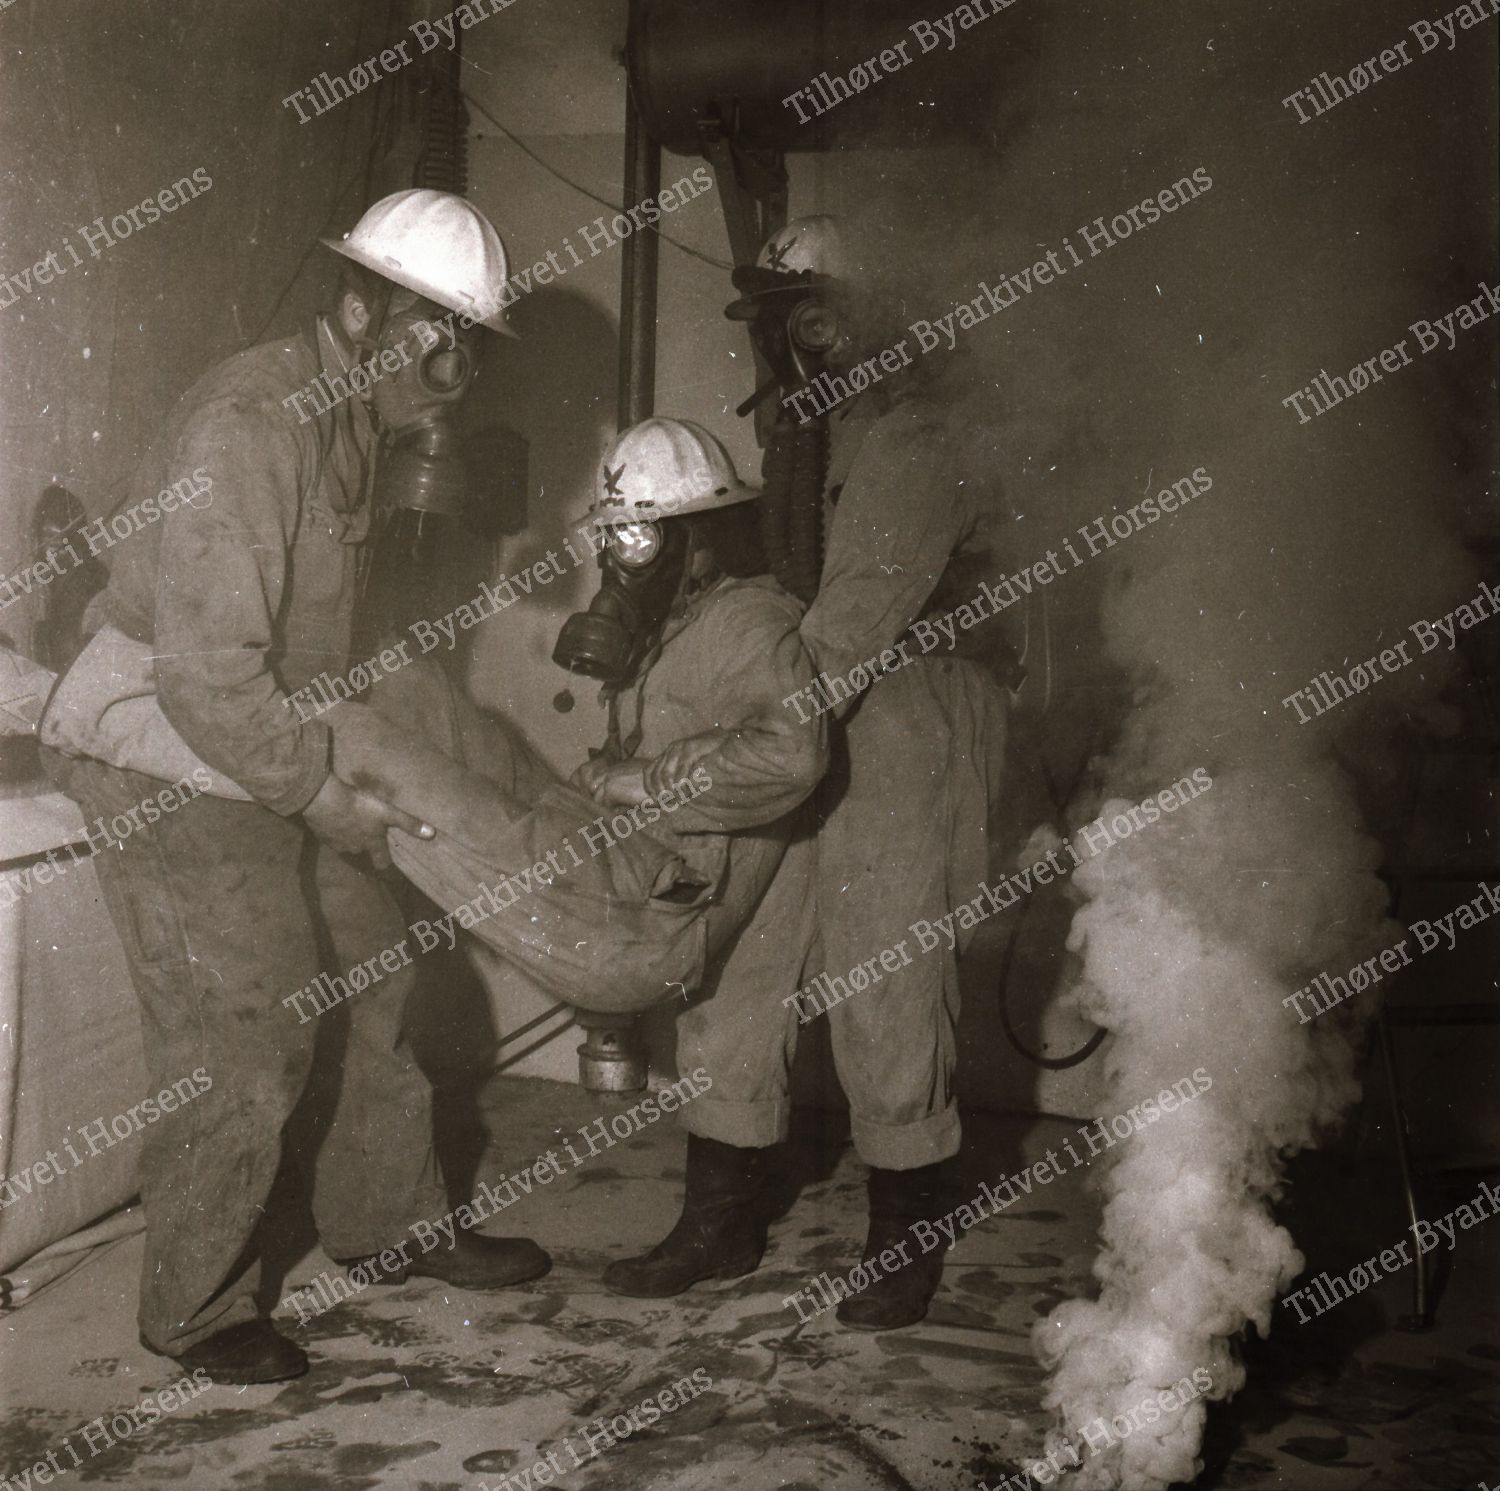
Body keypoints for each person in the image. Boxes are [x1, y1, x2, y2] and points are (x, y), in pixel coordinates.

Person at [41, 189, 548, 1385]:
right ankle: (196, 1306)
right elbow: (208, 678)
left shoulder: (359, 420)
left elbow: (314, 646)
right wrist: (324, 797)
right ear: (359, 311)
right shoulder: (253, 425)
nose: (453, 372)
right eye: (432, 339)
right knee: (253, 1016)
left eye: (468, 346)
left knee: (380, 965)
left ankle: (389, 1222)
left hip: (261, 724)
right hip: (157, 738)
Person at [710, 215, 1013, 1330]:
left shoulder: (918, 438)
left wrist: (740, 744)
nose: (804, 341)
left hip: (905, 705)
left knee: (888, 968)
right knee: (745, 946)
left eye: (822, 316)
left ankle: (907, 1229)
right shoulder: (812, 434)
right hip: (815, 698)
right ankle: (720, 1207)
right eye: (787, 320)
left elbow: (849, 624)